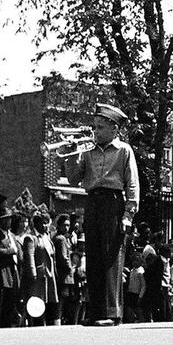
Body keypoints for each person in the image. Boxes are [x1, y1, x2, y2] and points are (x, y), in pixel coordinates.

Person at [63, 104, 139, 326]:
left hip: (114, 202)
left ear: (114, 128)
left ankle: (111, 312)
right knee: (94, 256)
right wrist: (71, 154)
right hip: (93, 201)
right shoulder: (87, 150)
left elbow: (132, 184)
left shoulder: (124, 150)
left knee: (111, 257)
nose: (95, 132)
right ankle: (96, 311)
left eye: (101, 127)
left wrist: (128, 214)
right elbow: (74, 179)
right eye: (94, 127)